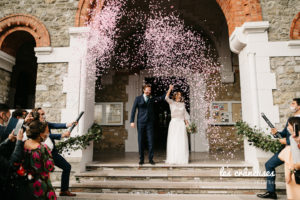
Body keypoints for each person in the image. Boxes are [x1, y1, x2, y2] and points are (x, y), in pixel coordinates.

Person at [257, 98, 300, 199]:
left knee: (296, 171)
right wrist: (276, 133)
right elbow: (285, 134)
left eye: (293, 103)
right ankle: (271, 191)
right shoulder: (291, 119)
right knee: (269, 164)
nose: (291, 105)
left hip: (297, 151)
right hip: (286, 151)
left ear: (299, 106)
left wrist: (287, 141)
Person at [35, 108, 77, 196]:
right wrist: (61, 135)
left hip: (52, 152)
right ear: (36, 115)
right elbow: (46, 135)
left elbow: (56, 125)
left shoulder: (46, 123)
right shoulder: (35, 125)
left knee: (67, 167)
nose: (44, 115)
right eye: (41, 114)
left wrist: (70, 124)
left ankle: (64, 190)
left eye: (44, 113)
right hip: (43, 152)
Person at [130, 84, 166, 165]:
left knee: (151, 141)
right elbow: (133, 110)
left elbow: (160, 98)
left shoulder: (151, 98)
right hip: (141, 122)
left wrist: (168, 91)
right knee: (141, 140)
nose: (148, 91)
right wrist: (132, 121)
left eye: (149, 90)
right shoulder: (138, 98)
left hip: (150, 122)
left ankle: (151, 159)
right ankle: (141, 159)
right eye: (147, 90)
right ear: (143, 90)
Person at [23, 120, 56, 200]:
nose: (47, 134)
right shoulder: (43, 148)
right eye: (46, 132)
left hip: (25, 183)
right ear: (40, 134)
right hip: (41, 183)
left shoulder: (22, 144)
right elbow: (50, 167)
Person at [165, 85, 190, 164]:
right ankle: (173, 158)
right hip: (174, 123)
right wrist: (170, 89)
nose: (179, 96)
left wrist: (187, 124)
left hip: (181, 124)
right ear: (175, 96)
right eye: (178, 95)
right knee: (174, 141)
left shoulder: (182, 104)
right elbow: (166, 98)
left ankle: (181, 158)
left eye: (180, 95)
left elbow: (185, 115)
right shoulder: (171, 103)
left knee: (182, 141)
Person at [278, 117, 300, 199]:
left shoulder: (293, 138)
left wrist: (289, 174)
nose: (287, 127)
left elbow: (294, 160)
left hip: (295, 172)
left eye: (289, 125)